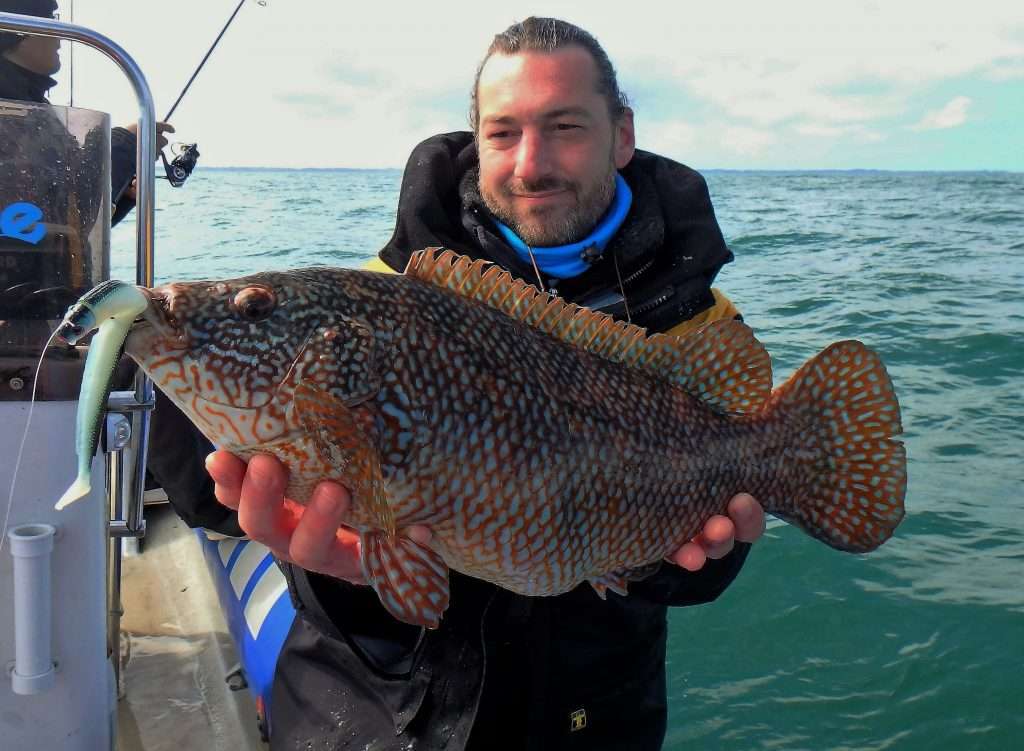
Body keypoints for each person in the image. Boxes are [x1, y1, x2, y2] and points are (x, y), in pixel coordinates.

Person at [160, 16, 767, 751]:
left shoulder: (692, 319)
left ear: (623, 133)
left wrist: (688, 554)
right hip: (375, 716)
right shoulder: (386, 296)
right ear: (476, 139)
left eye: (565, 126)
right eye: (503, 132)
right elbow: (223, 488)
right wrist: (341, 576)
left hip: (597, 720)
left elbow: (703, 555)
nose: (530, 162)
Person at [0, 0, 173, 226]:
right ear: (20, 29)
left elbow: (67, 228)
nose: (60, 34)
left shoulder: (32, 106)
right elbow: (50, 216)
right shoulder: (12, 113)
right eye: (51, 18)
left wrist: (122, 195)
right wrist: (125, 145)